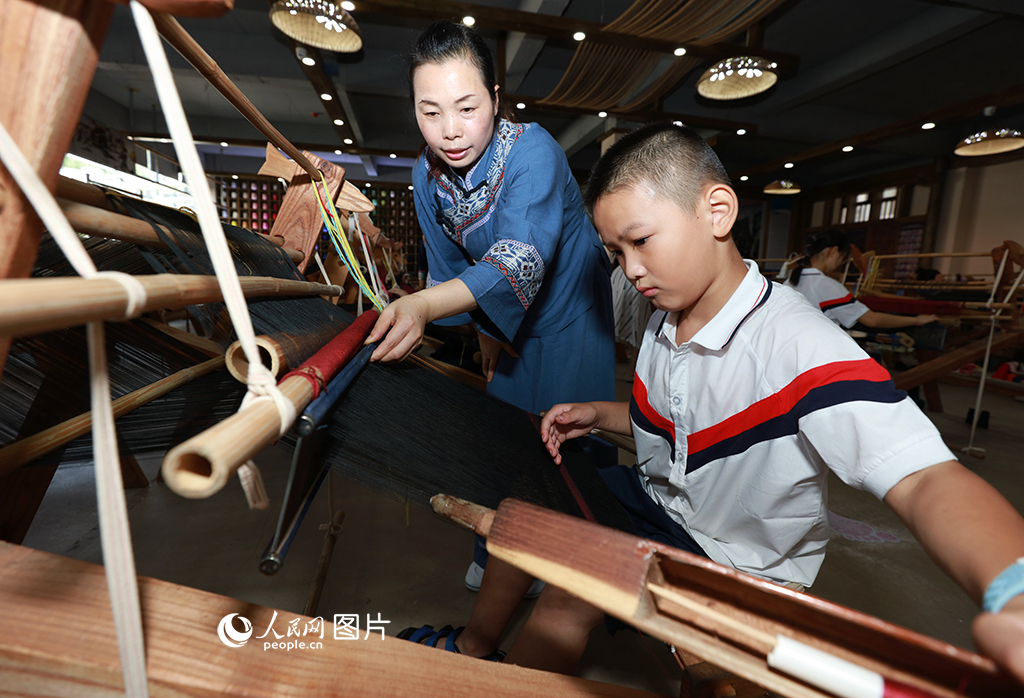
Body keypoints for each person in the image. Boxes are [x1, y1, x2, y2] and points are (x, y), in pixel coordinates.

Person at [497, 122, 1024, 682]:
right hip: (663, 509)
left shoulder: (797, 343)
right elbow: (680, 425)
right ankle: (480, 651)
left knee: (576, 595)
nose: (630, 269)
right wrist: (600, 415)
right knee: (534, 510)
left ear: (717, 212)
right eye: (617, 252)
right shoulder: (664, 320)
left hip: (737, 560)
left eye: (641, 241)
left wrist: (1014, 593)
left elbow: (924, 478)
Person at [364, 20, 616, 651]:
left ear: (496, 100)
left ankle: (568, 556)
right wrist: (482, 336)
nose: (449, 130)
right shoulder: (426, 174)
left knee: (566, 440)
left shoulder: (534, 152)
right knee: (500, 436)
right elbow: (449, 265)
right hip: (502, 314)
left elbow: (519, 257)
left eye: (467, 108)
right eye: (430, 112)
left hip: (570, 312)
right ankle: (502, 547)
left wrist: (423, 306)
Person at [783, 230, 939, 329]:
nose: (839, 265)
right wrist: (916, 320)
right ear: (834, 252)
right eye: (842, 259)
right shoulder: (826, 285)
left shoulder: (790, 282)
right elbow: (872, 320)